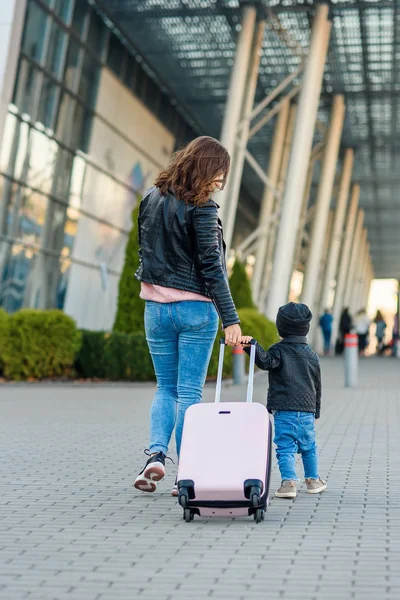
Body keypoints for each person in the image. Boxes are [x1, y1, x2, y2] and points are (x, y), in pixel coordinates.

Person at [133, 136, 241, 496]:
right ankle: (188, 472)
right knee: (189, 393)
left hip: (156, 310)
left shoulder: (150, 198)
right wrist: (231, 320)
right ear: (208, 169)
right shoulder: (204, 209)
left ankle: (156, 456)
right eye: (219, 174)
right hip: (196, 310)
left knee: (165, 388)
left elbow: (143, 252)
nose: (220, 183)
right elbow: (213, 269)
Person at [241, 302, 327, 499]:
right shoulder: (312, 355)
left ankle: (288, 483)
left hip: (284, 410)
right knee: (309, 446)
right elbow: (318, 386)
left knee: (285, 447)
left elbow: (265, 362)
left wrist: (252, 346)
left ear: (281, 328)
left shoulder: (278, 350)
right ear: (305, 329)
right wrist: (317, 411)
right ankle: (313, 480)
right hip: (306, 410)